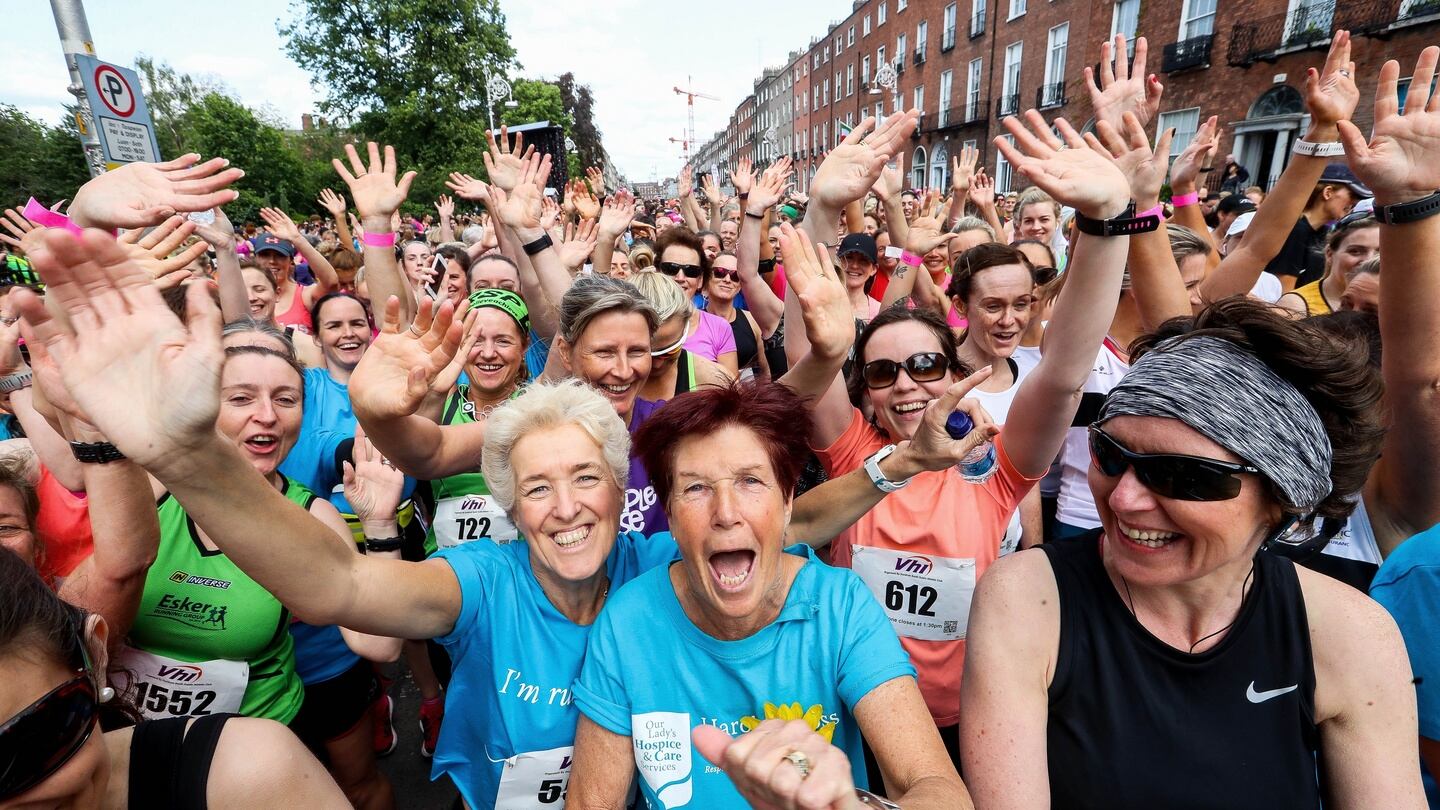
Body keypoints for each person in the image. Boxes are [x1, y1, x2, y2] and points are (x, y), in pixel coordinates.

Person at [783, 101, 1136, 768]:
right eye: (884, 371)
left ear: (952, 371)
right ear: (865, 390)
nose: (907, 384)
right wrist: (823, 210)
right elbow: (819, 350)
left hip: (959, 714)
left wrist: (1108, 220)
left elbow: (1062, 372)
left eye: (924, 364)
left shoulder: (994, 459)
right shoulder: (854, 451)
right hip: (849, 703)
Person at [566, 379, 971, 809]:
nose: (725, 513)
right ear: (670, 515)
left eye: (750, 481)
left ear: (788, 501)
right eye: (696, 488)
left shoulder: (839, 607)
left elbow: (939, 789)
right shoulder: (629, 621)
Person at [0, 547, 350, 808]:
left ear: (94, 656)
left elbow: (374, 639)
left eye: (33, 741)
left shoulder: (251, 772)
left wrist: (379, 529)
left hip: (283, 704)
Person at [1261, 164, 1371, 292]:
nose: (1355, 203)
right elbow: (1283, 290)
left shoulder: (1324, 232)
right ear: (1327, 192)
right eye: (1352, 195)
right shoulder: (1295, 230)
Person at [628, 271, 733, 401]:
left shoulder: (713, 381)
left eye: (670, 351)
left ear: (685, 329)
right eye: (639, 352)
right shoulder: (604, 378)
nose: (657, 364)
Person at [1277, 212, 1379, 316]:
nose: (1368, 259)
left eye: (1381, 253)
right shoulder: (1296, 307)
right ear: (1329, 254)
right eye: (1355, 251)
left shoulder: (1391, 303)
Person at [703, 251, 769, 379]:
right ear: (707, 278)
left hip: (748, 396)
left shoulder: (752, 320)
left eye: (735, 276)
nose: (727, 280)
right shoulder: (695, 321)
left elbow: (766, 371)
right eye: (719, 273)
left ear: (740, 285)